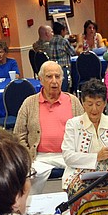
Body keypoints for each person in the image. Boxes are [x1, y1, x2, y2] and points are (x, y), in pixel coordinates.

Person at [61, 79, 108, 215]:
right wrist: (96, 157)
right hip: (79, 174)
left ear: (105, 103)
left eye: (98, 104)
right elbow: (68, 156)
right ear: (82, 103)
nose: (94, 109)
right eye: (89, 104)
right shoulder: (73, 125)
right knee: (83, 197)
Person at [14, 61, 84, 194]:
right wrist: (27, 155)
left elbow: (85, 129)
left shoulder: (73, 101)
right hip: (39, 157)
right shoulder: (29, 103)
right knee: (27, 179)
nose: (54, 81)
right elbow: (19, 135)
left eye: (57, 77)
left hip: (68, 155)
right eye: (49, 77)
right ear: (40, 80)